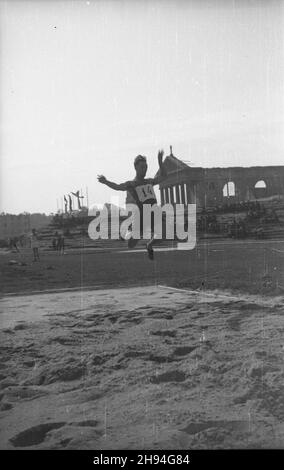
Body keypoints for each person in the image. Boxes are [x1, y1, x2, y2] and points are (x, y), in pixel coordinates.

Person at [98, 149, 167, 260]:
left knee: (164, 234)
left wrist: (160, 162)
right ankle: (129, 230)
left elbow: (164, 177)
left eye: (146, 167)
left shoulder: (149, 181)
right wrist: (106, 181)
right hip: (141, 217)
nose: (144, 170)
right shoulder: (131, 184)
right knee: (131, 245)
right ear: (136, 168)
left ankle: (149, 245)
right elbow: (117, 187)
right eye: (142, 167)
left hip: (154, 213)